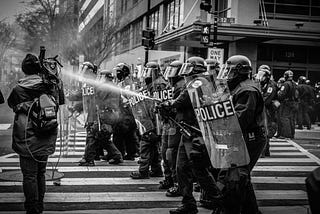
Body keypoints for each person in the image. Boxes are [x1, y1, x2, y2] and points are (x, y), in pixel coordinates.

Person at [7, 53, 63, 214]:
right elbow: (58, 102)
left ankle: (32, 207)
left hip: (26, 136)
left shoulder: (18, 89)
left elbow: (11, 103)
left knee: (29, 175)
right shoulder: (49, 85)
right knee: (41, 173)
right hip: (46, 134)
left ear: (24, 69)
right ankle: (40, 205)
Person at [169, 57, 221, 214]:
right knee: (181, 168)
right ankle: (188, 203)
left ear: (195, 69)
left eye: (189, 68)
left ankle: (219, 201)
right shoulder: (195, 82)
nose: (185, 72)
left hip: (198, 134)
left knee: (199, 169)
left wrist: (170, 104)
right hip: (187, 132)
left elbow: (182, 99)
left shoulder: (200, 81)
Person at [220, 55, 266, 214]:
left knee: (236, 175)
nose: (227, 74)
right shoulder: (239, 87)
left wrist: (220, 122)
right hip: (243, 136)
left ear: (239, 71)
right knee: (240, 176)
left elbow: (241, 118)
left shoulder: (247, 90)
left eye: (229, 70)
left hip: (250, 137)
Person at [130, 62, 166, 179]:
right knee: (154, 147)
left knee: (145, 145)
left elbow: (150, 106)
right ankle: (156, 169)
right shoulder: (161, 84)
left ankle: (143, 171)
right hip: (158, 123)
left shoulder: (157, 86)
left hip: (153, 122)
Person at [95, 70, 123, 164]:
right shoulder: (115, 85)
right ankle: (111, 154)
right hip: (115, 114)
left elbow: (98, 98)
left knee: (103, 136)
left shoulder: (104, 87)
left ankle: (116, 156)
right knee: (107, 135)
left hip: (107, 114)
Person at [114, 63, 139, 160]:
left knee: (119, 133)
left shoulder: (128, 83)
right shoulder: (124, 82)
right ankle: (131, 153)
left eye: (119, 72)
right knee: (129, 135)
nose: (117, 74)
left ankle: (119, 153)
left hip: (126, 112)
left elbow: (127, 97)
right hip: (126, 112)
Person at [256, 65, 278, 157]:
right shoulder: (261, 83)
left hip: (267, 110)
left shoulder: (271, 85)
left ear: (267, 76)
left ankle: (262, 151)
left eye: (263, 75)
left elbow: (266, 99)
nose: (260, 77)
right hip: (264, 109)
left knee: (264, 130)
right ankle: (266, 151)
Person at [277, 70, 298, 139]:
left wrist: (278, 93)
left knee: (284, 118)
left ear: (285, 76)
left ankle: (286, 134)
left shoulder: (286, 84)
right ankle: (291, 134)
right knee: (291, 119)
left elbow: (281, 95)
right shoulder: (294, 83)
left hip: (286, 103)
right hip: (294, 103)